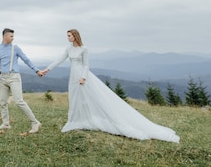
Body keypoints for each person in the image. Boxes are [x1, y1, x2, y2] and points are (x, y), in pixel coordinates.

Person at [39, 29, 180, 143]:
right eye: (67, 36)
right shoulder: (68, 48)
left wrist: (83, 77)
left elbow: (86, 64)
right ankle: (75, 120)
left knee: (92, 98)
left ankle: (88, 119)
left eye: (69, 36)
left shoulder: (83, 48)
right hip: (73, 76)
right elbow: (59, 60)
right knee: (75, 97)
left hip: (82, 76)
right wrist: (47, 69)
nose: (68, 38)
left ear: (75, 36)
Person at [0, 28, 42, 134]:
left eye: (13, 36)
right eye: (11, 36)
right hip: (3, 78)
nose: (13, 38)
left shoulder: (16, 48)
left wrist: (36, 70)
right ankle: (6, 123)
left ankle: (35, 122)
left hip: (14, 77)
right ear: (5, 36)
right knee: (2, 102)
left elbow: (26, 59)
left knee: (19, 101)